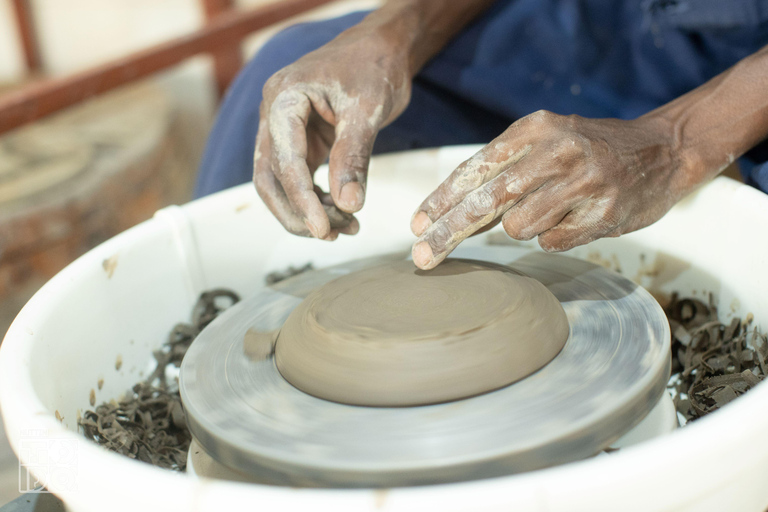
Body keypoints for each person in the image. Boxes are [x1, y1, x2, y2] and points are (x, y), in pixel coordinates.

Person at [195, 0, 768, 270]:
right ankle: (210, 331)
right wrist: (394, 33)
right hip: (619, 17)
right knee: (293, 70)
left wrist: (676, 143)